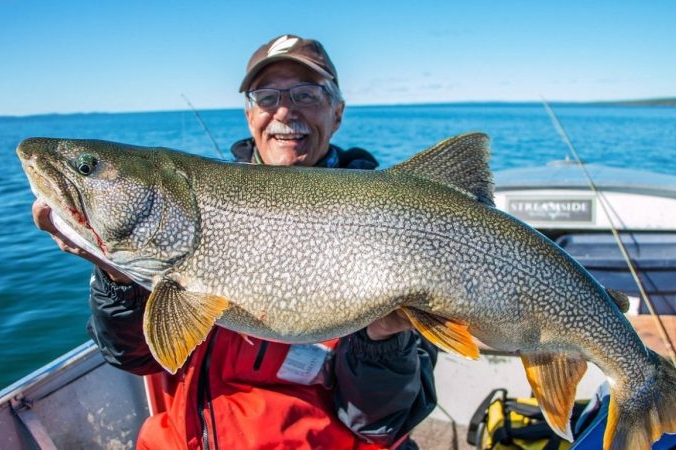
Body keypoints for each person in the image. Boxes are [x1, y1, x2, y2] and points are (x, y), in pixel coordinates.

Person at [32, 34, 437, 450]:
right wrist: (117, 277)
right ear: (249, 115)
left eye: (306, 94)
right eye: (266, 97)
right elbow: (136, 358)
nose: (284, 110)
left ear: (337, 112)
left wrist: (383, 339)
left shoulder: (399, 221)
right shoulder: (186, 216)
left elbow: (382, 425)